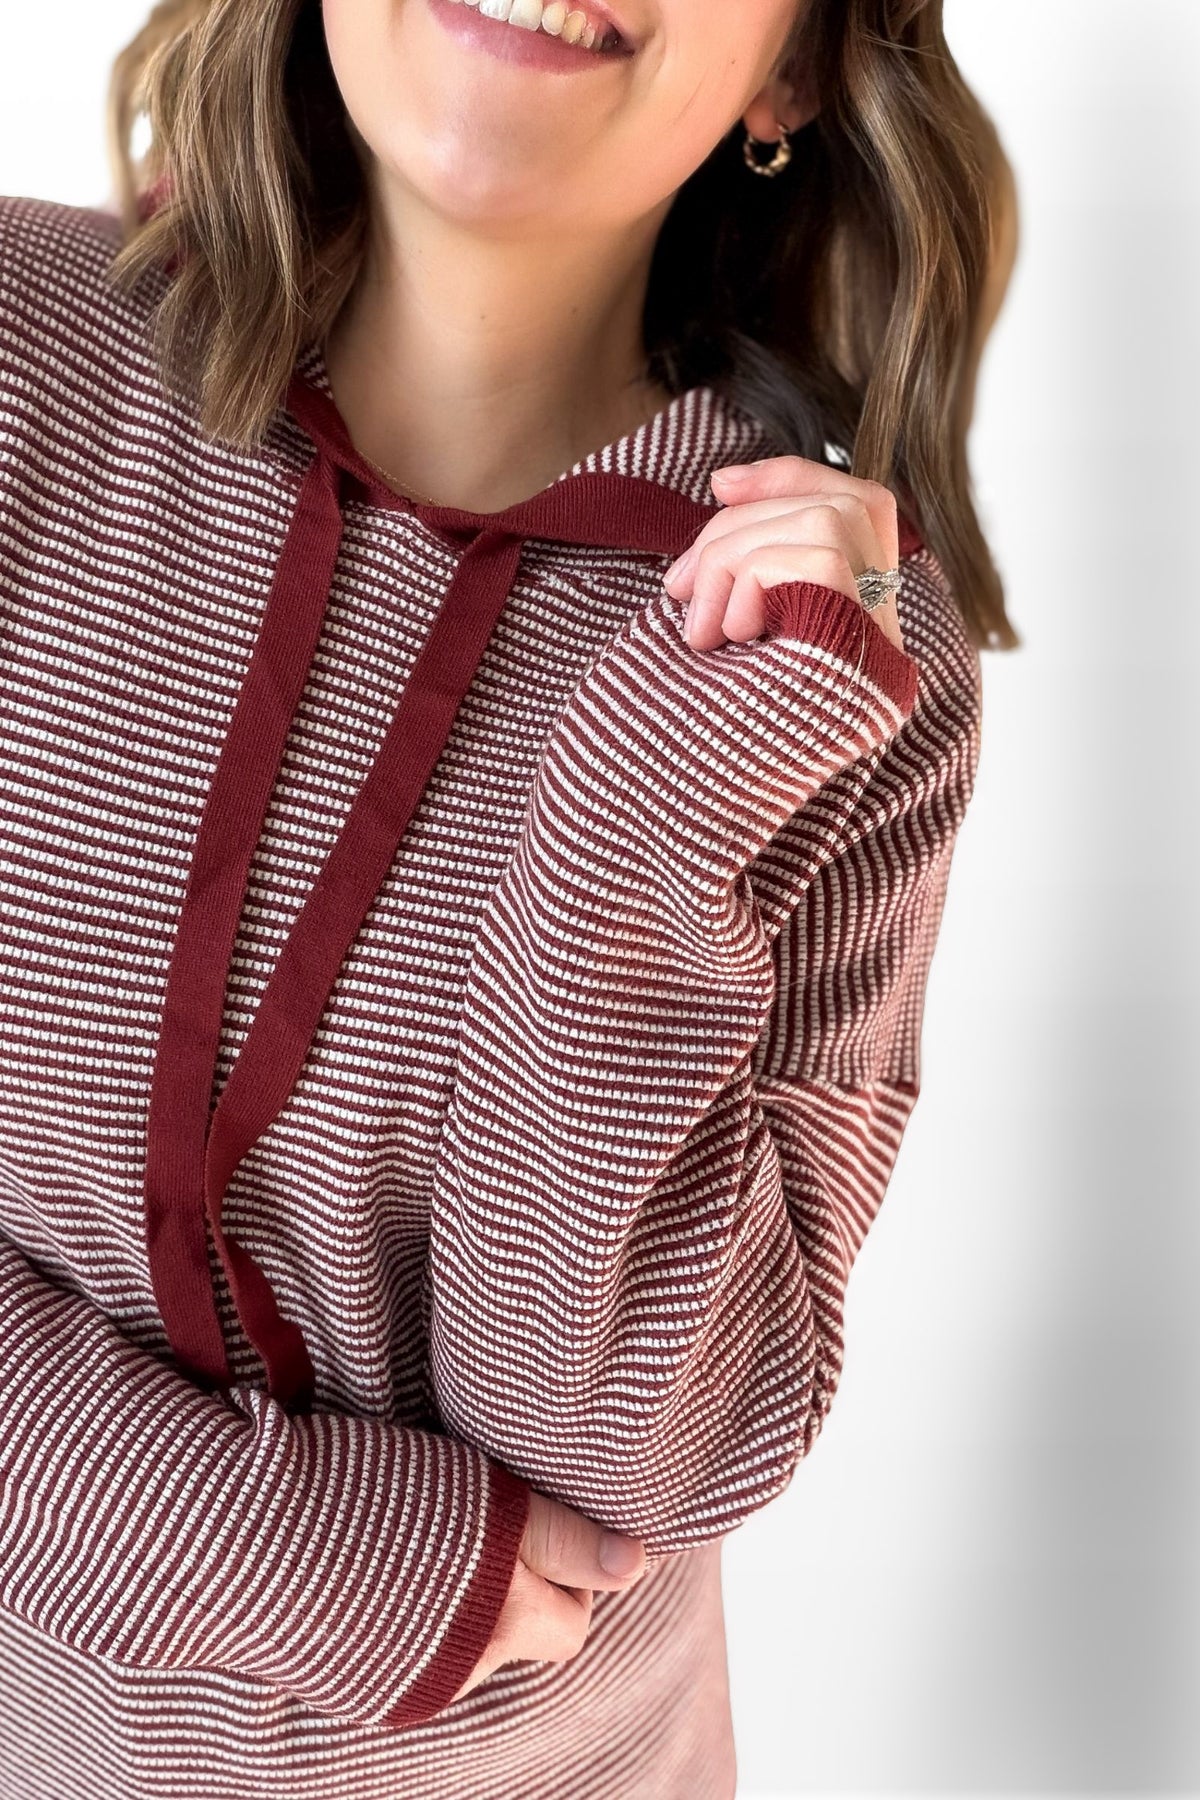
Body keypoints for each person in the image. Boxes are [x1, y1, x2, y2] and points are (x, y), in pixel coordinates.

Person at [0, 0, 1019, 1794]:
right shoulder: (24, 357)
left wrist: (654, 807)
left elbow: (657, 1450)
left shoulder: (842, 654)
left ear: (792, 70)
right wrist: (274, 1551)